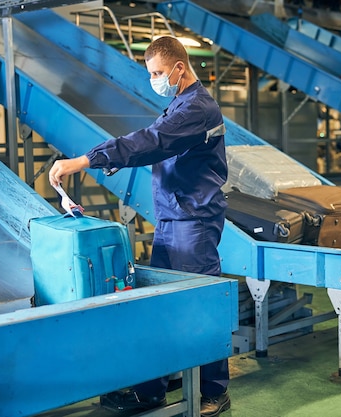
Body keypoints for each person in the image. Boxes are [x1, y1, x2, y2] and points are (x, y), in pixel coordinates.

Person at [48, 36, 230, 416]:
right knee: (161, 305)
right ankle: (151, 390)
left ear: (180, 68)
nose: (155, 80)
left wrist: (86, 160)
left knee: (200, 303)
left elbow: (151, 141)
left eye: (158, 73)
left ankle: (213, 390)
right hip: (173, 217)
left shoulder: (197, 108)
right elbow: (154, 146)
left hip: (193, 220)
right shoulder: (179, 103)